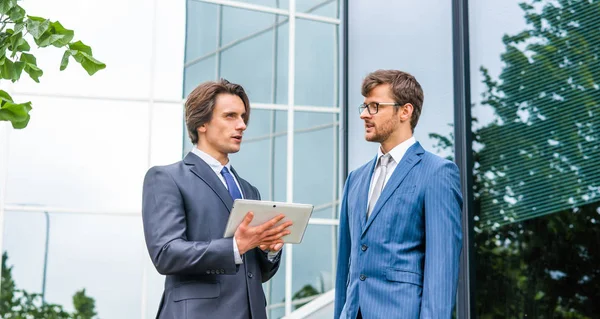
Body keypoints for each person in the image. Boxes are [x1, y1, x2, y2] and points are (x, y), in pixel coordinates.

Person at [142, 79, 291, 319]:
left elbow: (256, 274)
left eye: (243, 117)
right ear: (201, 122)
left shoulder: (249, 190)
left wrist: (267, 250)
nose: (242, 125)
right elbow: (166, 254)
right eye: (230, 116)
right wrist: (235, 246)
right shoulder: (166, 178)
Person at [334, 70, 463, 319]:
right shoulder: (355, 180)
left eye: (374, 107)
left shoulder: (437, 173)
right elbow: (346, 268)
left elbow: (442, 270)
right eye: (364, 106)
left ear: (405, 111)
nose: (363, 114)